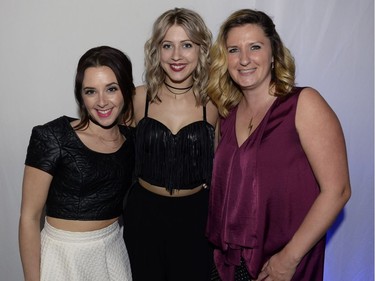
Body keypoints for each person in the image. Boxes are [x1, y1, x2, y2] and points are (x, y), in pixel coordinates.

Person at [206, 9, 351, 281]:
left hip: (280, 265)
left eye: (255, 47)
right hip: (226, 265)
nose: (244, 59)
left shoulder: (303, 104)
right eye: (234, 50)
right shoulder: (227, 115)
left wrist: (289, 258)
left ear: (273, 53)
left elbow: (338, 190)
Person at [18, 46, 135, 281]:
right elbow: (29, 217)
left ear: (126, 90)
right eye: (91, 91)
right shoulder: (52, 137)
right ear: (81, 96)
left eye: (111, 89)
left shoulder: (133, 139)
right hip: (64, 257)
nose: (102, 101)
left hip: (113, 251)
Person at [122, 7, 218, 281]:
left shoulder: (215, 103)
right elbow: (109, 146)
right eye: (168, 45)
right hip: (144, 217)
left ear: (201, 49)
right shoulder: (139, 98)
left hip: (196, 219)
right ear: (157, 51)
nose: (177, 56)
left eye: (186, 45)